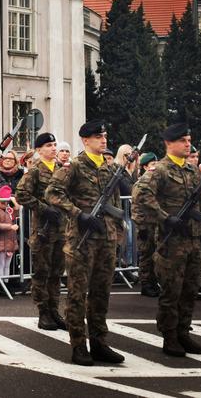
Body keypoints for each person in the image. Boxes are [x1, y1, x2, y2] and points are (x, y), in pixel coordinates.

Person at [45, 120, 124, 366]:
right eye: (98, 136)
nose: (103, 140)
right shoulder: (75, 167)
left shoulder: (110, 168)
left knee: (101, 293)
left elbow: (116, 201)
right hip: (82, 240)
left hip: (106, 239)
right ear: (85, 140)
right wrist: (79, 214)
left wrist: (118, 229)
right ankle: (78, 345)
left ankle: (99, 342)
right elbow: (52, 193)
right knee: (78, 294)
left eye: (105, 135)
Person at [132, 123, 201, 357]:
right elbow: (140, 194)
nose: (188, 144)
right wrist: (166, 218)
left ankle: (183, 331)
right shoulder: (160, 170)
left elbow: (198, 201)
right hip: (171, 241)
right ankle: (170, 336)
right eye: (183, 140)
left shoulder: (192, 171)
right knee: (171, 291)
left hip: (192, 239)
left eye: (189, 140)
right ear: (168, 144)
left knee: (190, 288)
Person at [16, 132, 66, 331]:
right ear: (38, 150)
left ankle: (54, 310)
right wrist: (44, 209)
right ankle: (43, 312)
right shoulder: (35, 170)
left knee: (56, 273)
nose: (53, 148)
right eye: (48, 145)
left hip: (61, 229)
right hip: (43, 230)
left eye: (54, 144)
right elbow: (21, 194)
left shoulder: (62, 170)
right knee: (42, 273)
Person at [132, 152, 161, 298]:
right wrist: (141, 226)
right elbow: (136, 206)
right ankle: (146, 284)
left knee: (155, 255)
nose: (155, 167)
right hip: (146, 224)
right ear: (145, 167)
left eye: (157, 164)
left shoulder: (156, 182)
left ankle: (153, 282)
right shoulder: (141, 183)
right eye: (152, 165)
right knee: (146, 256)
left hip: (156, 224)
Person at [0, 185, 19, 284]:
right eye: (3, 201)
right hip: (1, 241)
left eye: (7, 202)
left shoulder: (8, 211)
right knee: (1, 264)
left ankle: (6, 283)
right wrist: (10, 227)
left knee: (7, 265)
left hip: (10, 242)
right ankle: (0, 284)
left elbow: (18, 209)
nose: (6, 204)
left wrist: (14, 201)